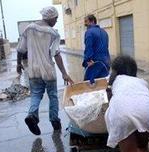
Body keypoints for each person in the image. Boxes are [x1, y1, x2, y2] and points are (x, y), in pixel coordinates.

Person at [17, 6, 74, 135]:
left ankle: (32, 115)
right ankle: (55, 121)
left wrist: (18, 65)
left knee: (36, 94)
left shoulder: (29, 29)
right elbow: (56, 54)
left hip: (33, 69)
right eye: (56, 18)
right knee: (53, 96)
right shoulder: (53, 33)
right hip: (48, 70)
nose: (56, 21)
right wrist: (64, 73)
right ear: (51, 17)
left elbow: (20, 49)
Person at [82, 14, 110, 83]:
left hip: (94, 63)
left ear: (92, 21)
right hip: (106, 63)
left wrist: (88, 60)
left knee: (91, 87)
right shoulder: (104, 32)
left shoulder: (89, 32)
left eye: (86, 21)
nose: (85, 24)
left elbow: (89, 47)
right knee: (103, 84)